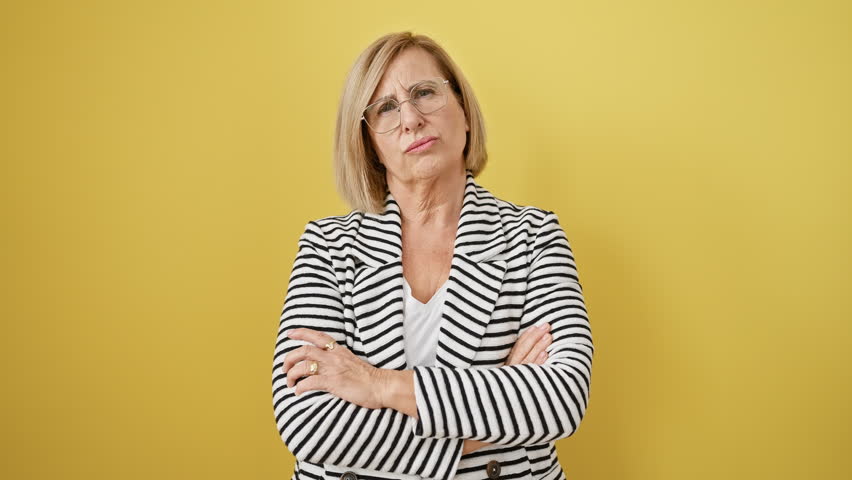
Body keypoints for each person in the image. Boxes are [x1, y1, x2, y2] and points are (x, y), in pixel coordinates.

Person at [271, 31, 593, 480]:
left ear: (463, 111)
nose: (410, 119)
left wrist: (378, 385)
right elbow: (309, 424)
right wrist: (490, 421)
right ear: (370, 145)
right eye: (385, 108)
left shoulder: (533, 236)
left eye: (424, 93)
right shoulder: (327, 246)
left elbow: (561, 398)